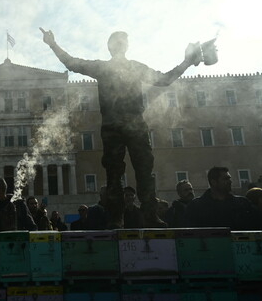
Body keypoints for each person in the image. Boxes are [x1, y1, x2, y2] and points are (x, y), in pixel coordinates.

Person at [40, 28, 200, 228]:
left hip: (132, 124)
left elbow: (164, 79)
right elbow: (71, 63)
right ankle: (117, 218)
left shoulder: (134, 68)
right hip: (114, 126)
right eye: (118, 42)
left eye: (124, 41)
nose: (122, 45)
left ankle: (148, 215)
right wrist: (53, 44)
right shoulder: (104, 68)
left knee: (144, 170)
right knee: (115, 175)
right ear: (111, 47)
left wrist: (186, 62)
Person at [185, 166, 254, 229]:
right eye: (225, 179)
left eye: (229, 178)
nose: (230, 182)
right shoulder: (196, 206)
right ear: (214, 182)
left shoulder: (242, 203)